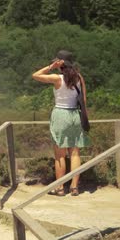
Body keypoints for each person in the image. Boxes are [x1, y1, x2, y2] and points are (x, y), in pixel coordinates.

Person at [31, 51, 90, 196]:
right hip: (75, 115)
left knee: (60, 155)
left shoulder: (57, 78)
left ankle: (60, 188)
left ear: (60, 64)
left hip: (60, 115)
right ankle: (74, 187)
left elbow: (35, 75)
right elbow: (84, 100)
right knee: (75, 153)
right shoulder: (79, 78)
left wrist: (50, 66)